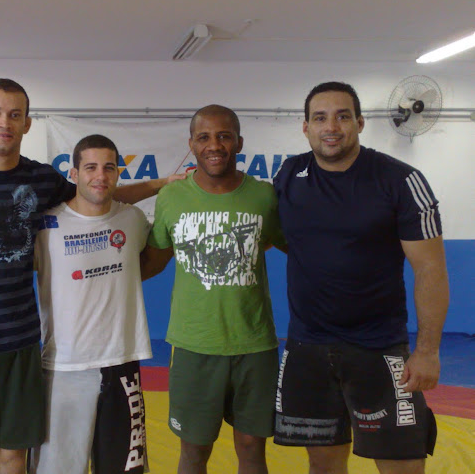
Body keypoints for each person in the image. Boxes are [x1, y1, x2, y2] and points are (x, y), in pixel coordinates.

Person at [0, 78, 180, 474]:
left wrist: (162, 185)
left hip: (19, 342)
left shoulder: (42, 180)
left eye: (15, 115)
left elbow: (96, 193)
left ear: (27, 124)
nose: (5, 123)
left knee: (13, 453)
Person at [272, 81, 449, 474]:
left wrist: (428, 350)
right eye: (320, 117)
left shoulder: (400, 181)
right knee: (323, 467)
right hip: (308, 348)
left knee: (402, 466)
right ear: (306, 127)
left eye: (342, 116)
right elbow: (296, 240)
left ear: (360, 123)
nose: (331, 126)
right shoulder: (289, 174)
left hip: (378, 347)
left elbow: (431, 269)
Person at [141, 104, 287, 474]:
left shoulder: (264, 197)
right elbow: (153, 263)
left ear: (239, 142)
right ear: (191, 144)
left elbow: (300, 248)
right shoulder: (172, 199)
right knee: (194, 450)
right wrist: (103, 271)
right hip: (194, 346)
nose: (214, 145)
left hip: (255, 345)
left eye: (224, 136)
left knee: (252, 448)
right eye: (204, 137)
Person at [32, 134, 152, 474]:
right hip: (63, 367)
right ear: (73, 174)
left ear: (117, 174)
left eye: (109, 168)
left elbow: (149, 262)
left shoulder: (133, 220)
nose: (100, 176)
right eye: (91, 167)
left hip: (121, 363)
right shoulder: (45, 226)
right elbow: (4, 275)